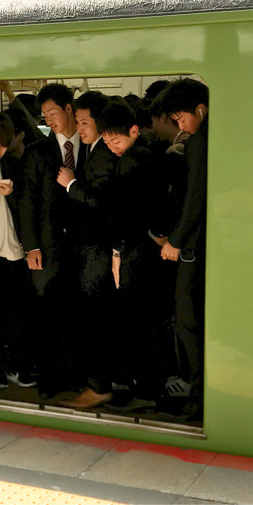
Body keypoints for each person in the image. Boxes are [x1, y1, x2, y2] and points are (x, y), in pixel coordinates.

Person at [97, 98, 169, 410]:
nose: (112, 146)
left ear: (134, 130)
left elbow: (122, 214)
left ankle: (142, 391)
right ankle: (154, 388)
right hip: (150, 251)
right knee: (149, 321)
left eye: (115, 140)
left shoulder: (129, 163)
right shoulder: (153, 154)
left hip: (134, 252)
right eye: (107, 141)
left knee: (133, 321)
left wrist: (116, 252)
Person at [19, 83, 87, 397]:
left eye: (53, 113)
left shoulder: (91, 145)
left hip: (85, 245)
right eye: (45, 115)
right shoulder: (36, 151)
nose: (49, 119)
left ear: (69, 109)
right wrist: (31, 245)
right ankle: (49, 378)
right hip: (46, 246)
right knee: (46, 310)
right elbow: (26, 201)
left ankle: (76, 375)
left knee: (78, 310)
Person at [54, 91, 119, 408]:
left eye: (83, 122)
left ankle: (99, 385)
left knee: (96, 318)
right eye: (77, 122)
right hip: (87, 250)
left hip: (98, 251)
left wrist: (70, 185)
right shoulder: (91, 150)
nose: (79, 128)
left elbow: (99, 203)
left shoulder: (105, 156)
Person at [159, 78, 208, 421]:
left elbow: (195, 199)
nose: (180, 126)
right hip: (201, 244)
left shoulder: (199, 144)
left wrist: (175, 240)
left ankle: (198, 395)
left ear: (200, 110)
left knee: (188, 323)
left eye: (181, 118)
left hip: (192, 247)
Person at [0, 112, 36, 390]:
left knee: (18, 314)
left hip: (16, 252)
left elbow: (26, 207)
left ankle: (16, 367)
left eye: (2, 144)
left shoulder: (12, 166)